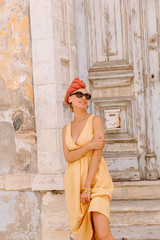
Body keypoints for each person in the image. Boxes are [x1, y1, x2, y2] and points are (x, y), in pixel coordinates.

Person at [62, 77, 114, 240]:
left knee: (102, 233)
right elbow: (69, 157)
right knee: (89, 235)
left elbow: (97, 154)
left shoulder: (95, 121)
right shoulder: (65, 129)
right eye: (79, 95)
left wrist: (87, 188)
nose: (84, 98)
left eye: (87, 96)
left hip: (96, 180)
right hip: (74, 181)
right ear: (69, 98)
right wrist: (89, 145)